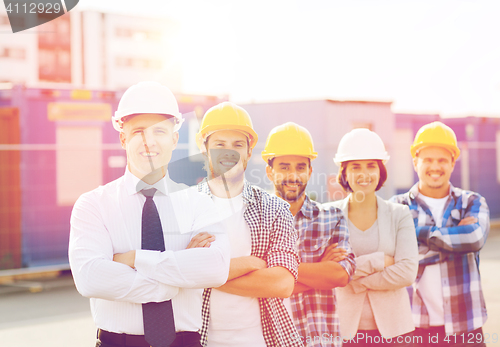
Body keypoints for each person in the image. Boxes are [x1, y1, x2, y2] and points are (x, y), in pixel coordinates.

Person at [69, 81, 231, 347]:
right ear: (123, 138)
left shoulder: (199, 203)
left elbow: (215, 268)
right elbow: (90, 277)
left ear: (175, 138)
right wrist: (174, 279)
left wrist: (132, 259)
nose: (149, 141)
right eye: (138, 131)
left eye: (159, 131)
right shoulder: (93, 205)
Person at [194, 102, 301, 347]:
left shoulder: (275, 209)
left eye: (238, 145)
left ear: (249, 151)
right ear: (204, 148)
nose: (228, 153)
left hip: (261, 340)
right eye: (220, 144)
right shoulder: (182, 207)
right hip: (197, 339)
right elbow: (174, 274)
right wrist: (249, 264)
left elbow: (282, 283)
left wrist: (203, 273)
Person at [390, 121, 489, 347]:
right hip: (414, 328)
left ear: (453, 162)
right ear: (415, 162)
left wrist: (414, 235)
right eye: (428, 160)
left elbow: (474, 238)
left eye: (443, 160)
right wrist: (455, 243)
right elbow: (393, 258)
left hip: (467, 326)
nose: (436, 167)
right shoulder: (397, 206)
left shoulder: (471, 202)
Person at [262, 122, 356, 347]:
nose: (293, 175)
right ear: (269, 171)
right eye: (284, 167)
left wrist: (277, 273)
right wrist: (319, 270)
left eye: (300, 167)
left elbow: (340, 276)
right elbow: (254, 284)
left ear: (310, 171)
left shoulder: (331, 217)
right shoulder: (256, 222)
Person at [330, 128, 419, 346]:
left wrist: (353, 279)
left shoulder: (400, 214)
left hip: (395, 333)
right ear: (345, 172)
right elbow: (327, 273)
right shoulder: (327, 216)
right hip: (344, 332)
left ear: (380, 171)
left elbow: (407, 272)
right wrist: (379, 261)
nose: (364, 174)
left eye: (371, 165)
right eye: (355, 166)